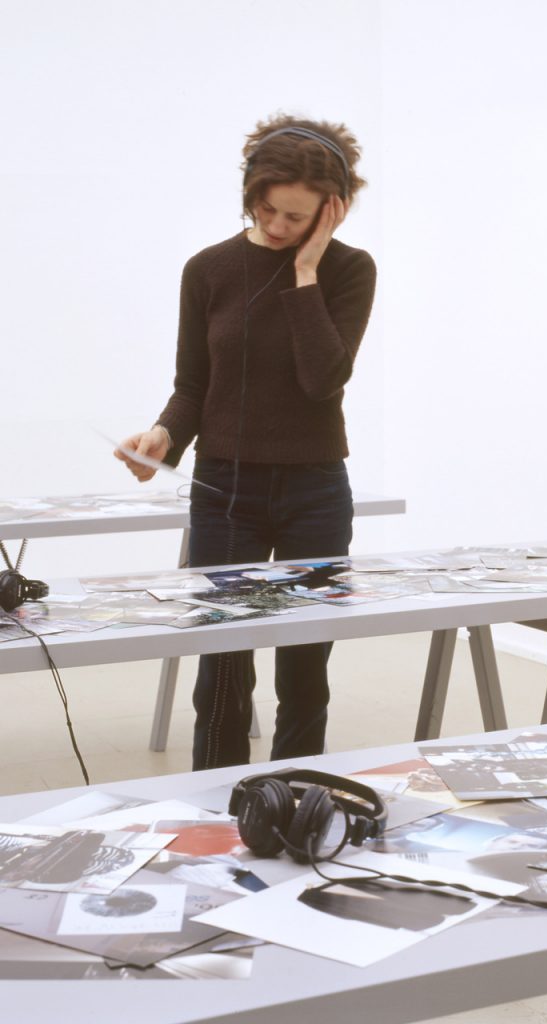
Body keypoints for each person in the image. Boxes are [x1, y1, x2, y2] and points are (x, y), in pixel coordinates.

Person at [115, 114, 376, 770]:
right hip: (226, 487)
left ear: (332, 210)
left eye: (300, 218)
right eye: (270, 210)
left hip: (315, 488)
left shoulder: (349, 270)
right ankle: (217, 802)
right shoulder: (208, 270)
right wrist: (163, 438)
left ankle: (292, 795)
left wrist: (307, 270)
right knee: (224, 664)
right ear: (251, 191)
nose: (282, 228)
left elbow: (322, 380)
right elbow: (193, 386)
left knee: (304, 662)